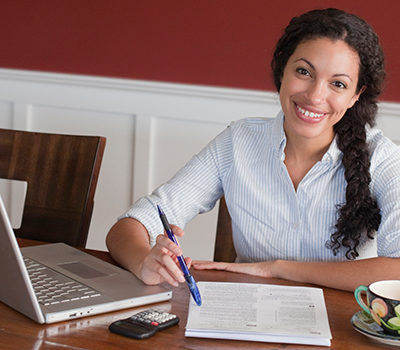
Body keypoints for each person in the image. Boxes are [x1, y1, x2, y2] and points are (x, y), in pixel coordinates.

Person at [106, 8, 400, 292]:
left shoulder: (384, 159)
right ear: (281, 71)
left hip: (344, 328)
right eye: (303, 71)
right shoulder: (238, 141)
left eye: (338, 83)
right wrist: (144, 261)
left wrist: (276, 268)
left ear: (355, 95)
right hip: (246, 317)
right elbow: (130, 226)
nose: (315, 96)